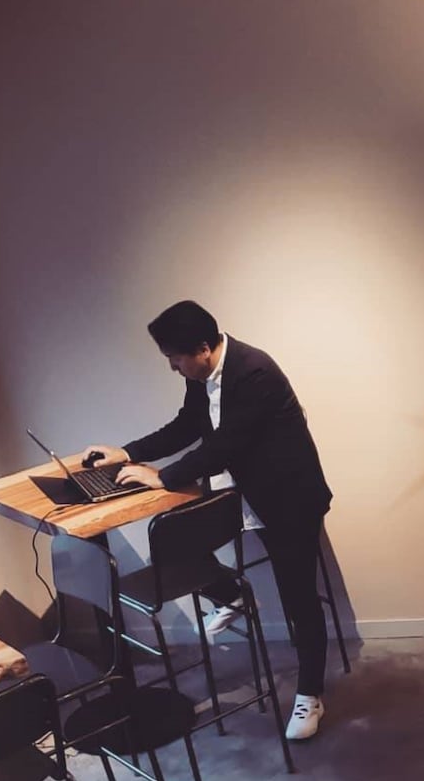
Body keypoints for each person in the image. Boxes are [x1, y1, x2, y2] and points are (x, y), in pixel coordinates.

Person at [83, 300, 333, 740]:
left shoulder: (254, 373)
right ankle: (233, 596)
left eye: (175, 358)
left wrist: (163, 477)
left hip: (288, 497)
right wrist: (127, 452)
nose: (173, 367)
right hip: (244, 488)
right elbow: (187, 425)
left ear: (202, 348)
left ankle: (311, 694)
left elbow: (225, 446)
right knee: (179, 537)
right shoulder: (202, 375)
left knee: (299, 599)